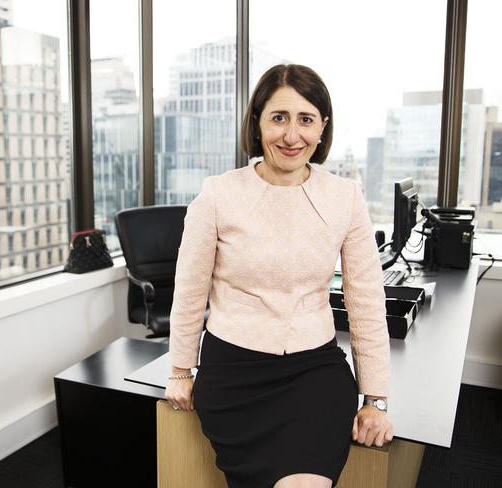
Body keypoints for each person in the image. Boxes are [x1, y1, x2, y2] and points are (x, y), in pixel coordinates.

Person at [165, 64, 394, 488]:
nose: (292, 136)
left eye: (306, 119)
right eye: (279, 118)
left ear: (323, 127)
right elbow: (190, 292)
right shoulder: (218, 194)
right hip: (234, 372)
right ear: (258, 124)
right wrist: (181, 369)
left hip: (314, 372)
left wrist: (375, 398)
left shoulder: (345, 198)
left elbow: (366, 301)